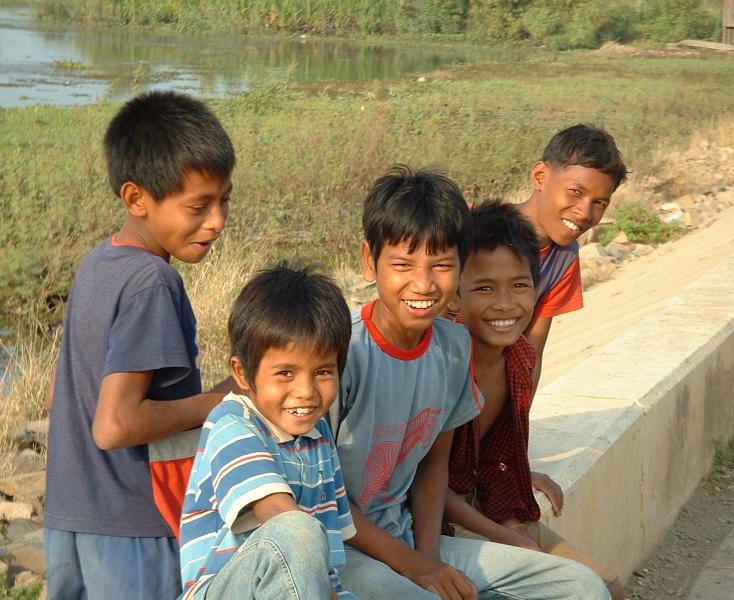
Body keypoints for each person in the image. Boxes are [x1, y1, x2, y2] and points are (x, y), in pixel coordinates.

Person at [329, 165, 609, 599]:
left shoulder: (453, 347)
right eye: (403, 264)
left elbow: (431, 468)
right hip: (343, 552)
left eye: (441, 266)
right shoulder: (343, 354)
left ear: (459, 270)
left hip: (409, 540)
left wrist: (429, 559)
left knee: (580, 587)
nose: (422, 284)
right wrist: (415, 567)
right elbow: (321, 497)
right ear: (370, 262)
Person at [44, 90, 237, 600]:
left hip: (71, 514)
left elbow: (71, 392)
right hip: (135, 522)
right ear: (136, 199)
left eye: (224, 201)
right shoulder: (153, 282)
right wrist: (224, 401)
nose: (217, 221)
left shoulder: (99, 264)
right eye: (198, 206)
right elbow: (115, 425)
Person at [444, 201, 624, 600]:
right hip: (442, 522)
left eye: (519, 286)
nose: (506, 304)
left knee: (610, 589)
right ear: (455, 296)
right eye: (485, 288)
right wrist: (512, 540)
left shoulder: (519, 358)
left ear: (537, 288)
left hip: (487, 507)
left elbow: (492, 461)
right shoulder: (446, 364)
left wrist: (518, 477)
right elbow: (427, 485)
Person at [178, 265, 359, 600]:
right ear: (242, 373)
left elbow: (328, 564)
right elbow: (280, 518)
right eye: (286, 373)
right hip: (229, 591)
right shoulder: (232, 425)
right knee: (296, 530)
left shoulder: (317, 436)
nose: (306, 391)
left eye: (322, 371)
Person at [516, 124, 628, 393]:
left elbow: (530, 355)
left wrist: (519, 428)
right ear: (540, 176)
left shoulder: (562, 259)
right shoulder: (469, 228)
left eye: (600, 203)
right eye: (576, 192)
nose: (584, 212)